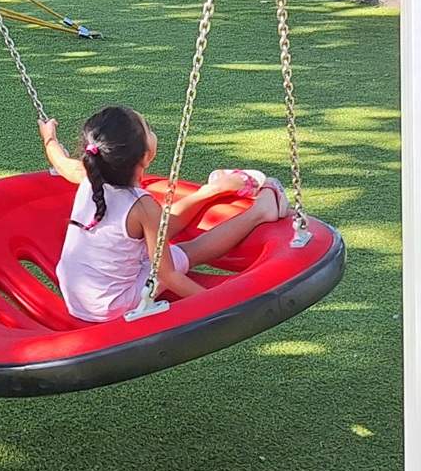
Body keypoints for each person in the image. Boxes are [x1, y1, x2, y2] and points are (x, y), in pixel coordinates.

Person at [36, 106, 287, 321]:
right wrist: (222, 307)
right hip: (112, 306)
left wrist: (49, 137)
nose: (153, 132)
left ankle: (210, 192)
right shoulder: (143, 207)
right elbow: (168, 275)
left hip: (78, 297)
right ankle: (260, 212)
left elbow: (59, 160)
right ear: (145, 156)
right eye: (149, 129)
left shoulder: (89, 174)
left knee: (157, 232)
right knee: (184, 252)